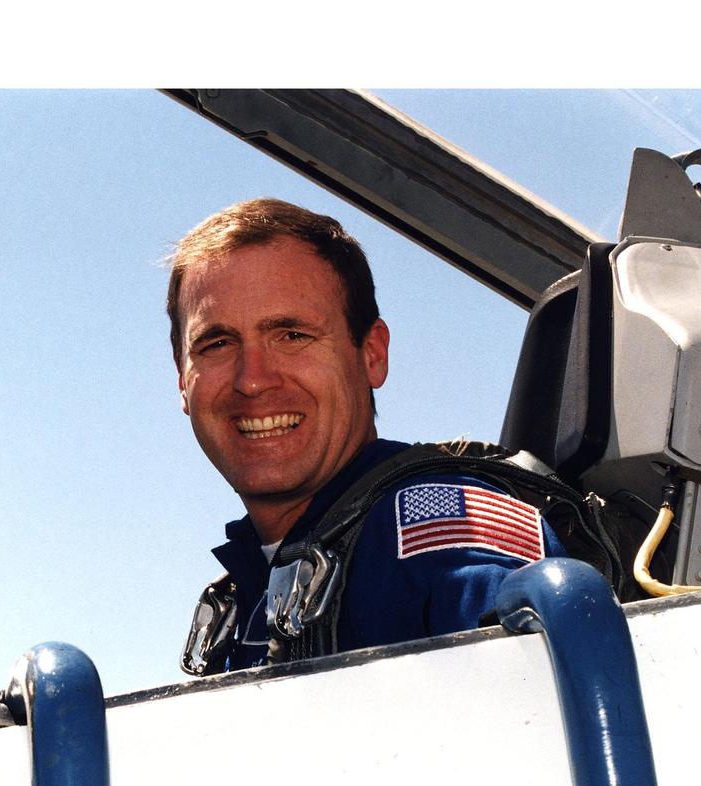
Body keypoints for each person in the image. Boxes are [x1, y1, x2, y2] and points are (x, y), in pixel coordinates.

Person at [168, 198, 572, 674]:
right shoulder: (243, 598)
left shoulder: (437, 531)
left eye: (293, 335)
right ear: (183, 381)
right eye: (217, 344)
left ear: (372, 355)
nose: (252, 380)